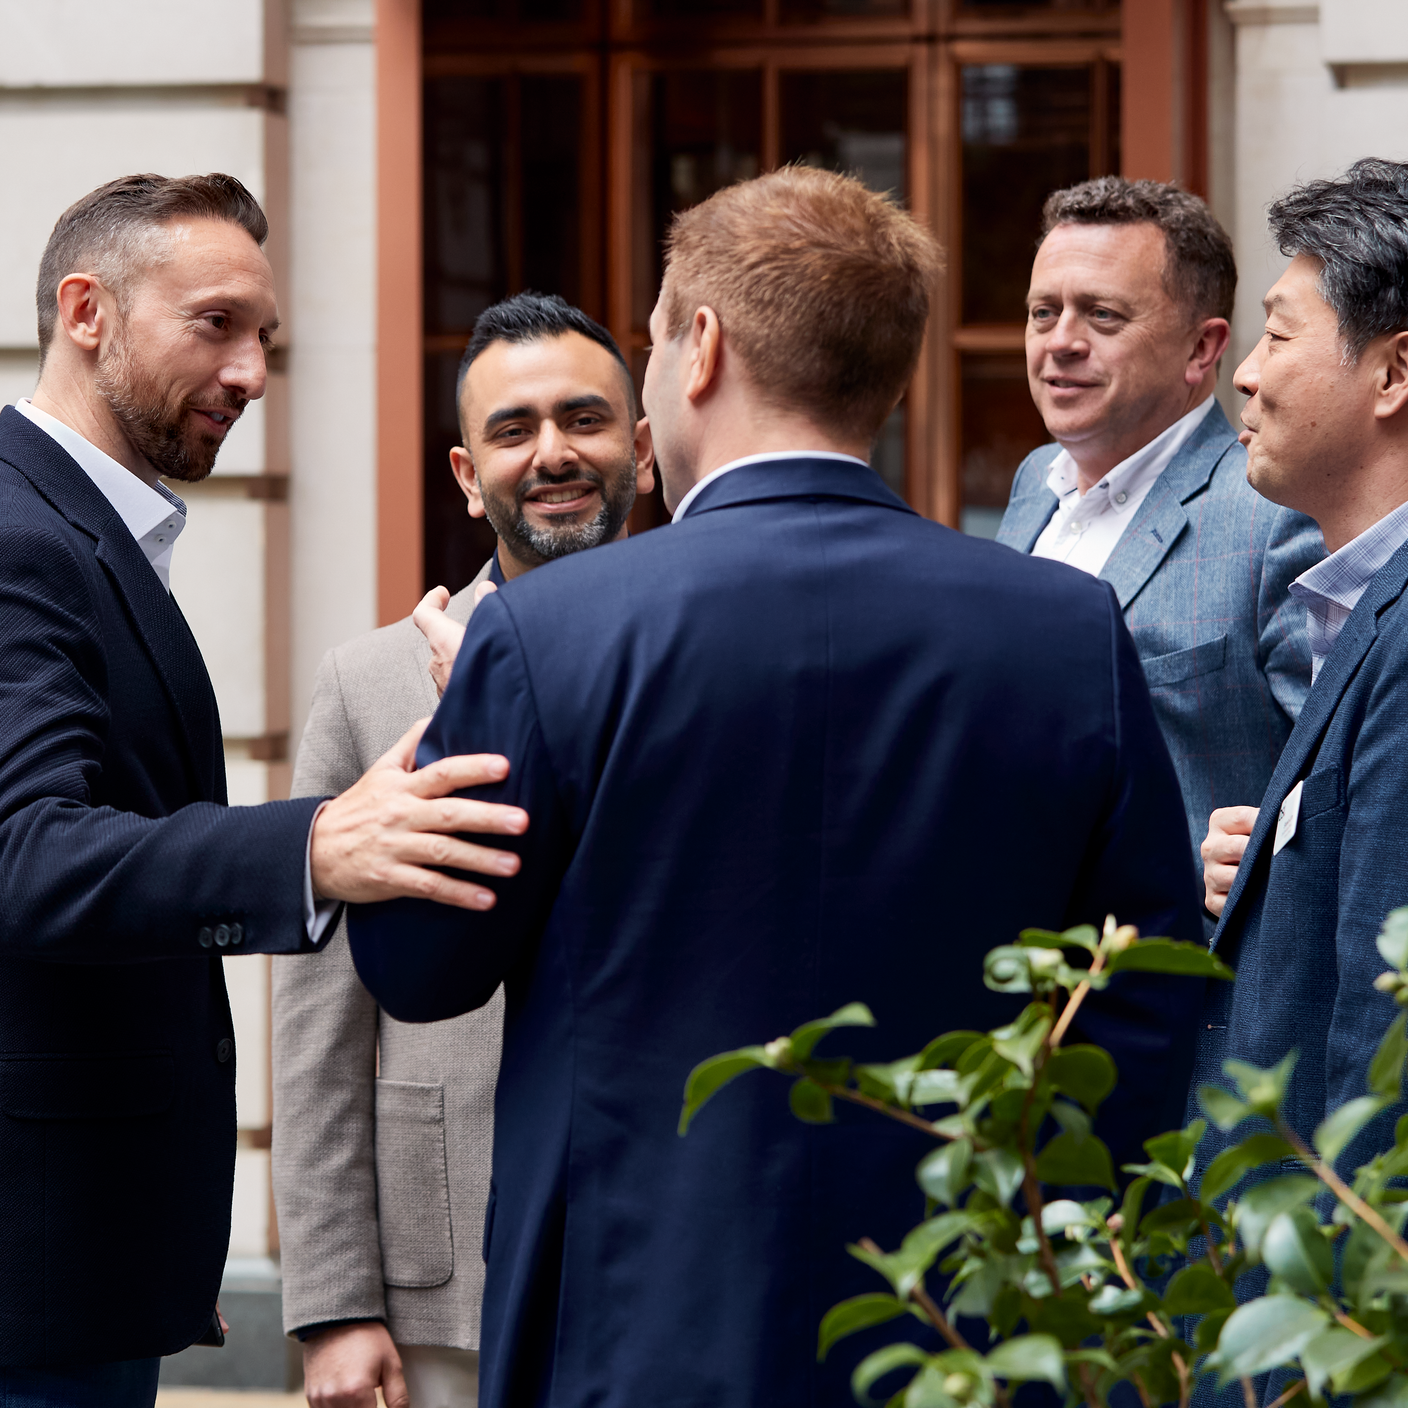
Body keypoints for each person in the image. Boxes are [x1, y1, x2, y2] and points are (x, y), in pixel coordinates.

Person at [347, 166, 1203, 1408]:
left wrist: (434, 747)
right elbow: (1140, 997)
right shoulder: (1066, 631)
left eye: (650, 338)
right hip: (961, 1317)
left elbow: (421, 966)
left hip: (631, 1312)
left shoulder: (550, 632)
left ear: (700, 347)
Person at [0, 174, 523, 1407]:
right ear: (87, 311)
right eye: (216, 325)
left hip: (88, 1266)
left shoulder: (84, 532)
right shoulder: (21, 539)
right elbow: (26, 853)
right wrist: (316, 847)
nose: (250, 373)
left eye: (264, 338)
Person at [272, 293, 654, 1408]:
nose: (553, 453)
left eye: (584, 419)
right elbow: (316, 1020)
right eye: (513, 429)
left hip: (665, 1244)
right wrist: (333, 1303)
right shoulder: (367, 683)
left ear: (640, 446)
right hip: (445, 1271)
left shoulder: (722, 654)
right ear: (466, 473)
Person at [996, 179, 1322, 903]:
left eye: (1102, 315)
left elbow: (1344, 780)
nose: (1060, 341)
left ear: (1202, 348)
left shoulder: (1275, 512)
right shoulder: (1033, 484)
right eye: (1043, 312)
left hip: (1179, 960)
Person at [1189, 159, 1408, 1188]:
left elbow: (1386, 1032)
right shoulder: (1356, 603)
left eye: (1277, 335)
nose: (1245, 374)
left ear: (1392, 374)